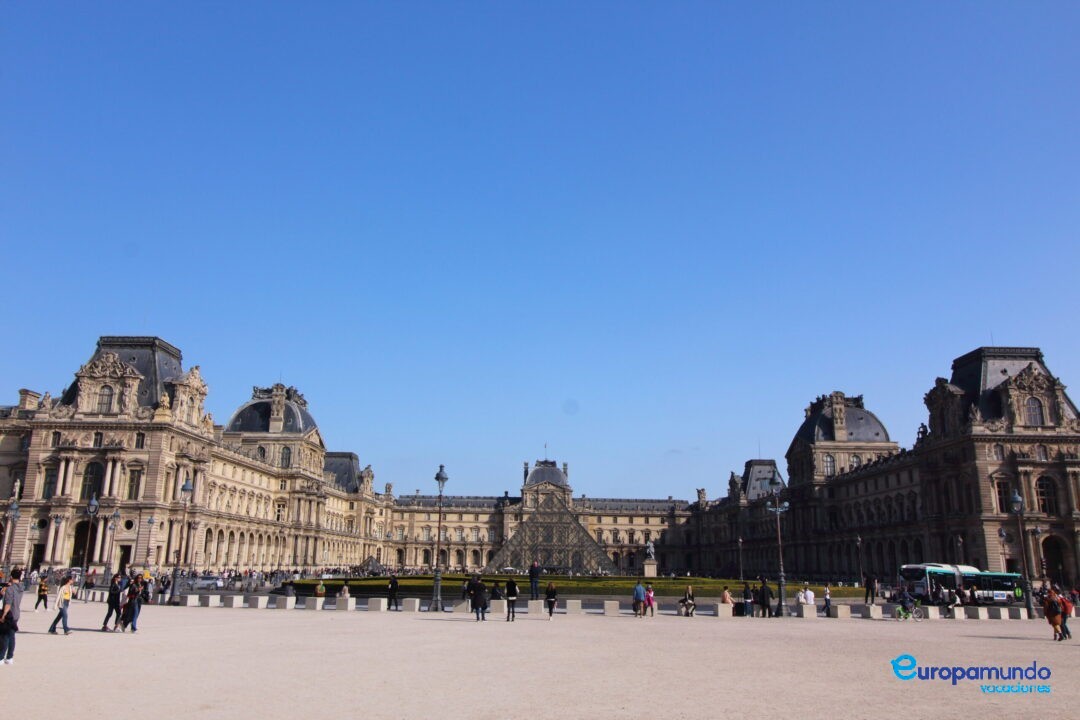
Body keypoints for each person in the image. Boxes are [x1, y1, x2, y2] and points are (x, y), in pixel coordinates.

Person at [0, 568, 23, 664]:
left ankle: (1, 657)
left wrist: (3, 615)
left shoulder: (10, 588)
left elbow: (8, 604)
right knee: (12, 636)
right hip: (17, 613)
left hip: (9, 614)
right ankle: (10, 657)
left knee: (4, 636)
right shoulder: (21, 587)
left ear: (11, 576)